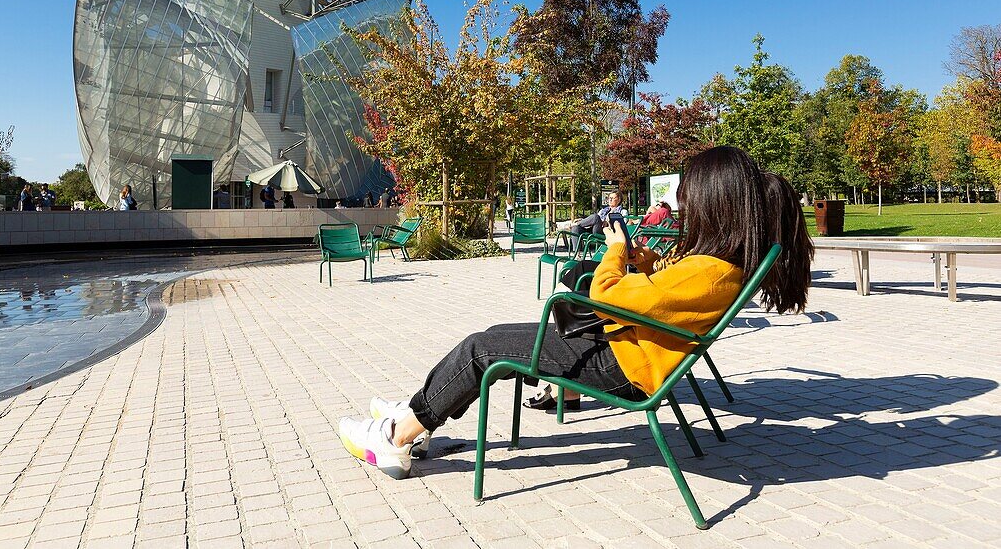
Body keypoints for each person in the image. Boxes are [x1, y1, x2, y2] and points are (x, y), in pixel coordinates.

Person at [335, 146, 813, 479]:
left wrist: (614, 251)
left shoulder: (707, 272)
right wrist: (635, 255)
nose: (682, 207)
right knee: (494, 338)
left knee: (484, 347)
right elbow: (656, 289)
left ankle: (397, 436)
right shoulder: (719, 265)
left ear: (715, 205)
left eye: (690, 198)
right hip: (629, 349)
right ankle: (421, 407)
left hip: (621, 362)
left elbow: (606, 296)